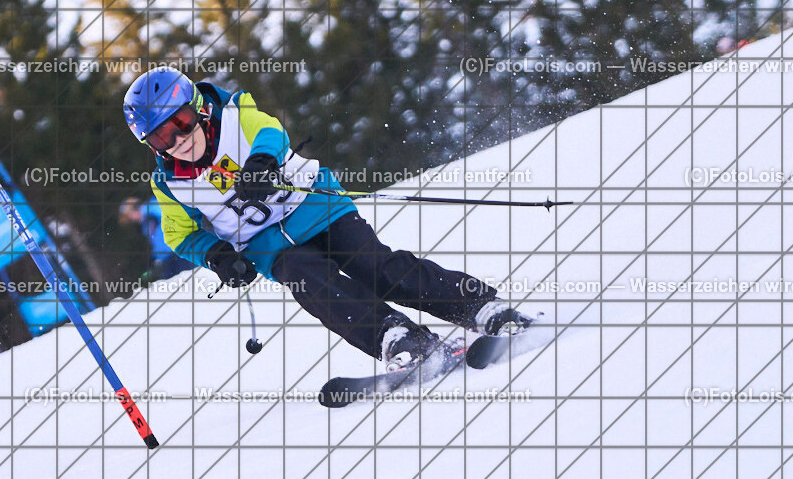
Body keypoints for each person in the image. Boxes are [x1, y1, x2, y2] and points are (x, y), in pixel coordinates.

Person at [123, 66, 533, 373]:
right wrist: (216, 255)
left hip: (319, 210)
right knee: (316, 285)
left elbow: (269, 132)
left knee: (375, 265)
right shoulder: (171, 184)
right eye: (162, 137)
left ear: (197, 109)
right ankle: (395, 336)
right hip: (272, 249)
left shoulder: (234, 116)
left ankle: (479, 306)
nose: (179, 141)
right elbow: (180, 234)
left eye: (179, 123)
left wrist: (262, 164)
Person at [119, 195, 195, 283]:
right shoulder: (145, 223)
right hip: (167, 259)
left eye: (130, 215)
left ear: (135, 208)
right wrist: (155, 258)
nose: (132, 219)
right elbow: (155, 241)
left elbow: (172, 219)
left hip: (177, 253)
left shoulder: (153, 208)